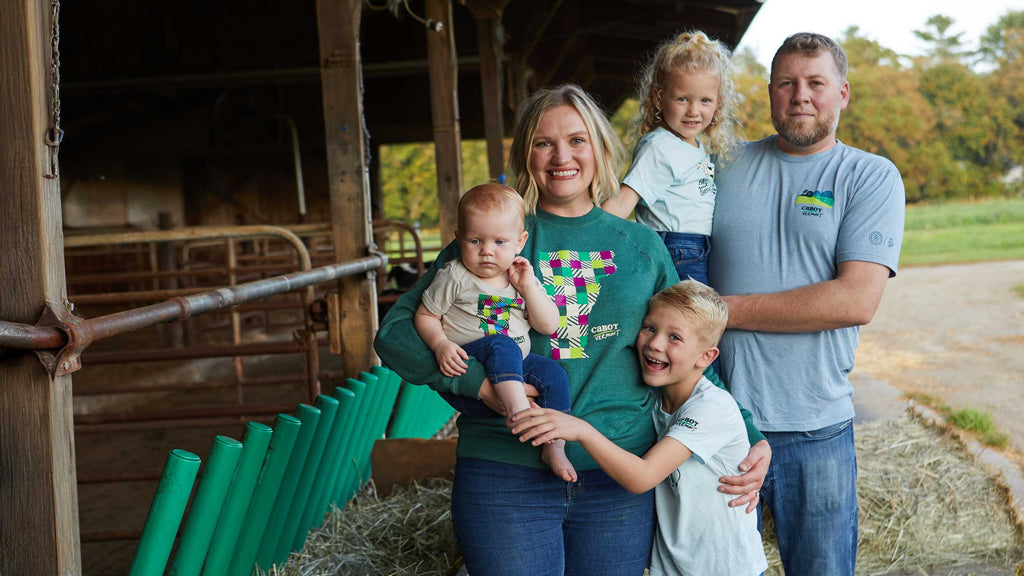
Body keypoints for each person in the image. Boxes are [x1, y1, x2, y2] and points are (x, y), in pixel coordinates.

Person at [374, 83, 771, 576]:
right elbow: (393, 333)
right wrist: (476, 385)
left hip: (616, 477)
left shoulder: (642, 247)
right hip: (506, 471)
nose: (562, 156)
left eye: (577, 140)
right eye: (544, 142)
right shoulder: (494, 238)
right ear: (526, 154)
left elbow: (691, 350)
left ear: (600, 148)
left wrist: (751, 435)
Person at [708, 33, 906, 576]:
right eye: (787, 84)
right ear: (770, 94)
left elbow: (856, 299)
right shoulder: (721, 164)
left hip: (814, 430)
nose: (801, 96)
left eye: (816, 83)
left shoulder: (868, 176)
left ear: (842, 94)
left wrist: (719, 312)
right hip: (718, 424)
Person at [512, 280, 768, 576]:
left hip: (723, 568)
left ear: (706, 357)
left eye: (674, 337)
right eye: (649, 328)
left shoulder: (711, 407)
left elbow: (643, 477)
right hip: (675, 566)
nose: (655, 343)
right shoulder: (656, 399)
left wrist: (581, 430)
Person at [414, 183, 575, 482]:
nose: (487, 251)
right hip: (471, 363)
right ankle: (519, 413)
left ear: (519, 241)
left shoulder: (520, 276)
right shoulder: (455, 275)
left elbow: (548, 325)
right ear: (459, 239)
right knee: (501, 344)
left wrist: (527, 288)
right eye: (475, 241)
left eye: (500, 241)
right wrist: (440, 345)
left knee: (555, 375)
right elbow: (425, 315)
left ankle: (554, 444)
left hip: (514, 364)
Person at [601, 31, 740, 285]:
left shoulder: (694, 146)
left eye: (705, 100)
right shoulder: (661, 146)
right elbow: (622, 203)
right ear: (659, 98)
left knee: (693, 320)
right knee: (687, 321)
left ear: (718, 103)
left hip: (695, 250)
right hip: (675, 251)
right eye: (683, 99)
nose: (694, 111)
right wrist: (583, 232)